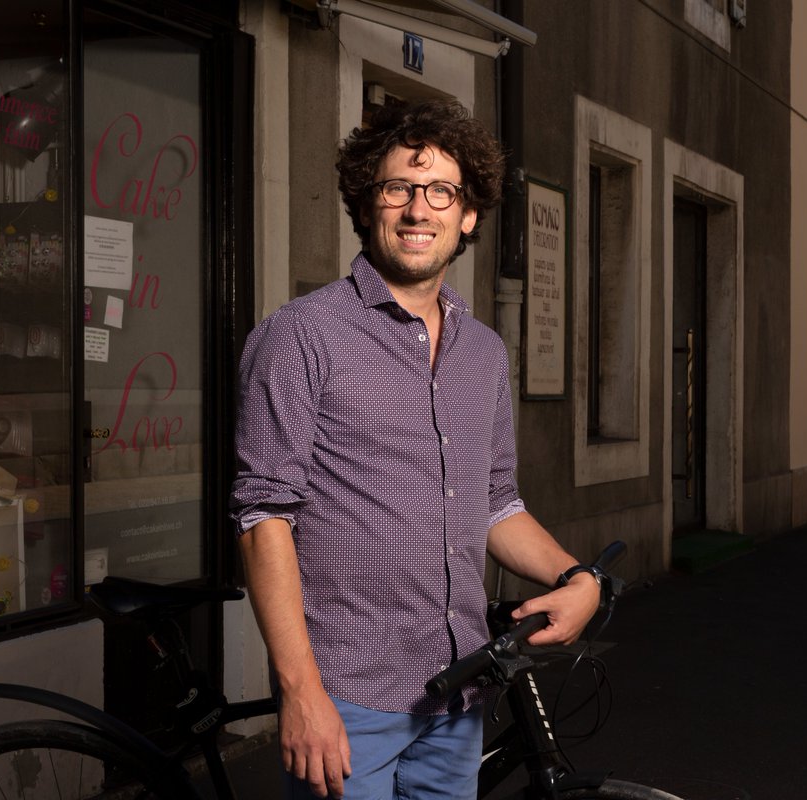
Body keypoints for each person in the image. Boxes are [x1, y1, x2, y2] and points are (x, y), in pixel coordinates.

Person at [230, 99, 601, 800]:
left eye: (440, 192)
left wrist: (574, 577)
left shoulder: (484, 353)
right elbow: (262, 517)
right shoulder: (301, 336)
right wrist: (301, 692)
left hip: (456, 695)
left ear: (468, 215)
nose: (417, 209)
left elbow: (496, 502)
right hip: (348, 694)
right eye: (397, 188)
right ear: (368, 205)